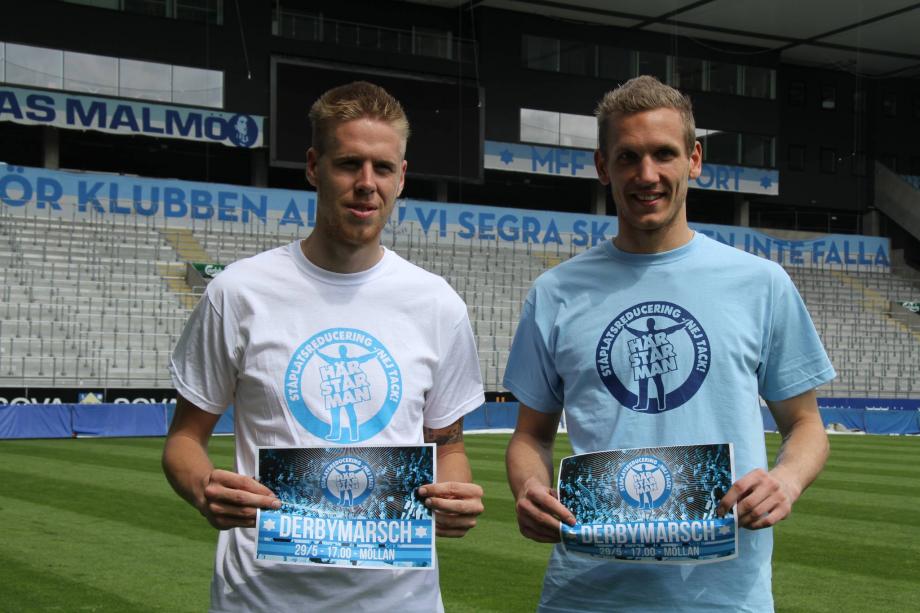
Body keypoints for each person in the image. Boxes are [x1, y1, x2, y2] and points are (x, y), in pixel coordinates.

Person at [504, 75, 835, 612]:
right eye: (628, 157)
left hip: (724, 595)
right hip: (588, 592)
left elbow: (806, 425)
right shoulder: (556, 292)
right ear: (603, 166)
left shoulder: (760, 283)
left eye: (664, 154)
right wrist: (529, 489)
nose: (647, 174)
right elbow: (530, 436)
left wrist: (786, 481)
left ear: (694, 160)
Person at [163, 81, 486, 612]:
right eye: (349, 164)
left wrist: (452, 495)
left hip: (399, 600)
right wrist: (204, 488)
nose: (367, 184)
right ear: (314, 167)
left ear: (401, 177)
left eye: (383, 168)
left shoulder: (437, 304)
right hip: (261, 599)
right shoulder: (239, 292)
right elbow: (183, 439)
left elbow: (448, 447)